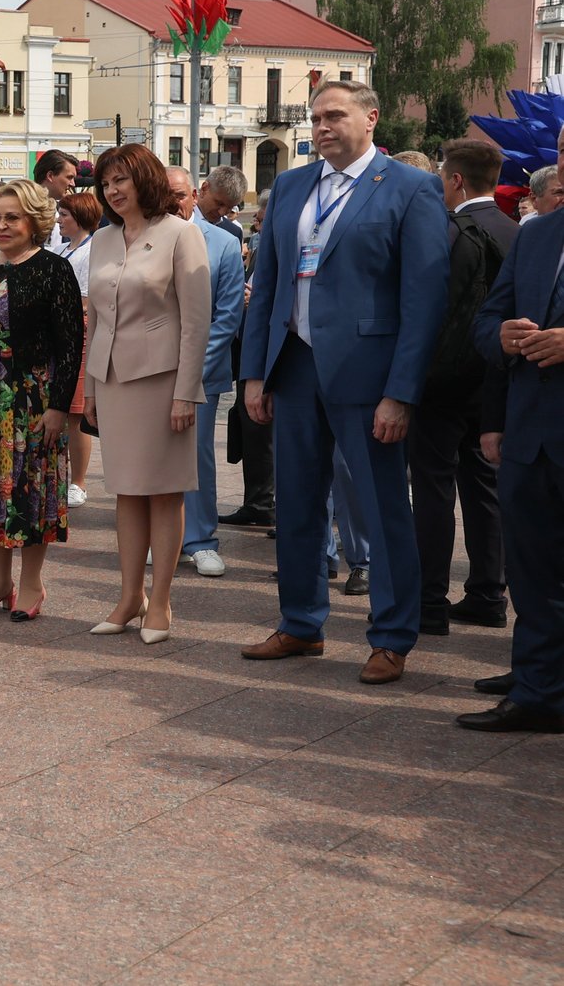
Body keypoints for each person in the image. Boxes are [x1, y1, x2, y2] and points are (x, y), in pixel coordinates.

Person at [239, 80, 449, 684]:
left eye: (334, 115)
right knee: (298, 504)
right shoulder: (292, 185)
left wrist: (401, 392)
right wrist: (255, 372)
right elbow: (268, 285)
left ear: (372, 118)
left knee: (383, 510)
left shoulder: (409, 188)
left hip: (368, 375)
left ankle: (391, 637)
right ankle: (301, 623)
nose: (321, 127)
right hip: (295, 367)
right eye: (315, 118)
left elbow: (424, 300)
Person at [84, 147, 210, 642]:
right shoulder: (103, 238)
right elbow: (96, 319)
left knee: (163, 490)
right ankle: (128, 597)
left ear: (144, 179)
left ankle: (160, 602)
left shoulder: (180, 233)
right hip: (113, 380)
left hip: (162, 379)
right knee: (126, 490)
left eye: (121, 180)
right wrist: (91, 387)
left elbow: (196, 322)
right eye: (106, 183)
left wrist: (186, 392)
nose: (113, 191)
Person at [0, 180, 82, 621]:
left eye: (12, 217)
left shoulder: (53, 269)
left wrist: (59, 406)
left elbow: (70, 346)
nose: (1, 225)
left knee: (30, 487)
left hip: (33, 398)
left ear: (34, 221)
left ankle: (31, 584)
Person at [461, 192, 564, 731]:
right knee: (531, 574)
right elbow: (489, 319)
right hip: (530, 436)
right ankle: (539, 688)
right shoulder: (537, 233)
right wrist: (499, 337)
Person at [410, 138, 517, 634]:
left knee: (433, 487)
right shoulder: (519, 232)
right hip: (495, 377)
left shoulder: (449, 232)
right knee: (484, 487)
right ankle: (489, 593)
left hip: (444, 378)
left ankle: (429, 601)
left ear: (454, 179)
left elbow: (430, 304)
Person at [168, 166, 247, 579]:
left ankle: (200, 540)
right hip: (148, 372)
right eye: (165, 193)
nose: (173, 202)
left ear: (194, 195)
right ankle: (167, 539)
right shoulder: (138, 238)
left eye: (179, 194)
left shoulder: (223, 243)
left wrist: (190, 368)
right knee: (156, 459)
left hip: (200, 372)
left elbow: (228, 316)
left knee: (196, 457)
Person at [224, 189, 276, 528]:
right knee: (252, 429)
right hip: (249, 349)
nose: (256, 226)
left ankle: (267, 503)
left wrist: (256, 298)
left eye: (260, 219)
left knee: (267, 431)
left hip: (273, 352)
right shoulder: (261, 249)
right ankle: (257, 502)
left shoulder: (284, 247)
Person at [57, 191, 102, 506]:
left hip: (78, 336)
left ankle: (79, 482)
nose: (59, 220)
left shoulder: (91, 251)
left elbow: (86, 302)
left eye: (64, 215)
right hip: (59, 336)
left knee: (76, 414)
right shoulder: (62, 248)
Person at [33, 149, 80, 253]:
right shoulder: (25, 208)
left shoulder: (56, 209)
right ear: (50, 176)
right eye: (69, 177)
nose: (73, 184)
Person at [196, 164, 248, 243]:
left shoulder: (233, 232)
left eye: (230, 207)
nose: (222, 212)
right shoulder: (179, 219)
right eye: (219, 203)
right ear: (204, 189)